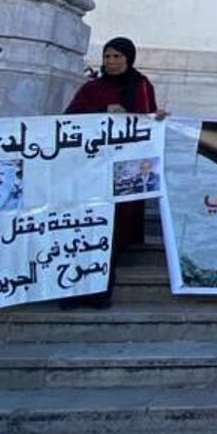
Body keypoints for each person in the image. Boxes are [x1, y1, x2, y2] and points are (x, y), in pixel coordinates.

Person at [65, 37, 165, 307]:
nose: (110, 62)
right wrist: (102, 111)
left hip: (124, 171)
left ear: (128, 59)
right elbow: (70, 118)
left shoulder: (141, 86)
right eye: (107, 57)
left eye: (116, 57)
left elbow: (145, 120)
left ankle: (97, 292)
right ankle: (75, 290)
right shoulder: (92, 89)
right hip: (92, 169)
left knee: (110, 232)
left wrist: (157, 119)